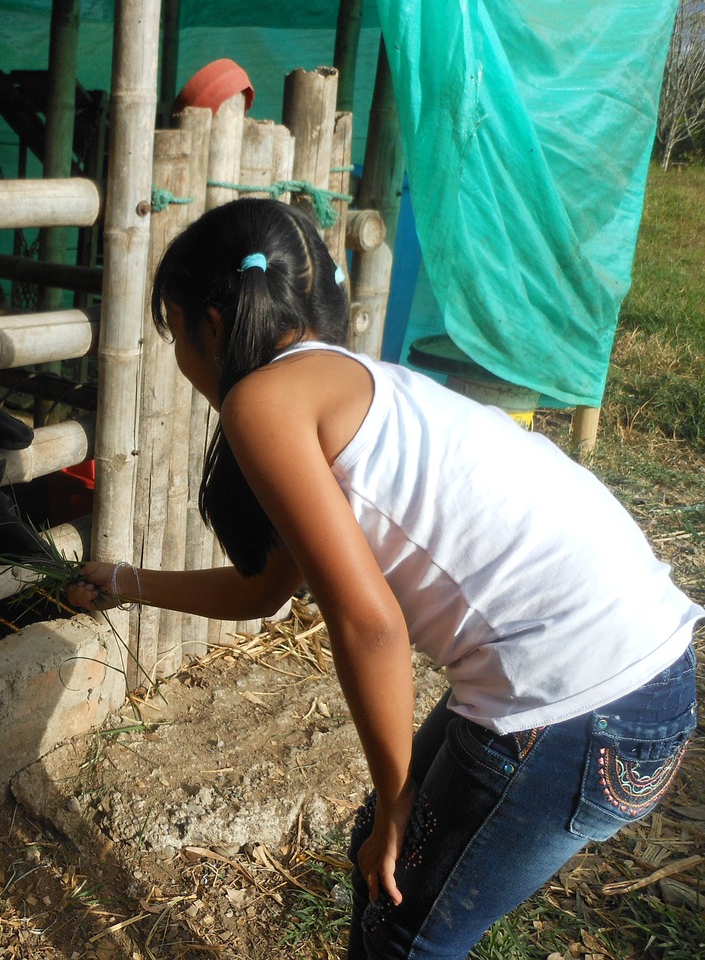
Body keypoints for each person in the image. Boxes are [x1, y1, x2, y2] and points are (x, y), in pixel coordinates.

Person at [66, 197, 701, 959]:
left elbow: (370, 625)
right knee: (378, 848)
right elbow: (263, 591)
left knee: (406, 931)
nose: (179, 359)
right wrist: (127, 581)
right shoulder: (342, 380)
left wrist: (404, 795)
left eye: (172, 333)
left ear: (209, 323)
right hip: (636, 681)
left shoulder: (261, 403)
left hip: (578, 700)